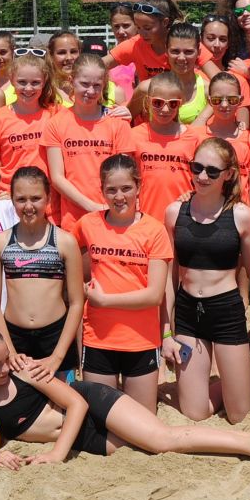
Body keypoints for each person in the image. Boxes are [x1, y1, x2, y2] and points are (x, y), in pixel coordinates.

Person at [0, 330, 250, 475]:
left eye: (6, 359)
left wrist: (56, 455)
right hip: (84, 440)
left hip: (91, 405)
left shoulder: (24, 371)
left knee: (163, 439)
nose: (6, 367)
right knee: (157, 450)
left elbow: (76, 404)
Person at [162, 137, 250, 423]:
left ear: (228, 174)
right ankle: (227, 385)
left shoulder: (241, 215)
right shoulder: (174, 212)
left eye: (212, 171)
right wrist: (166, 332)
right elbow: (169, 276)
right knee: (195, 413)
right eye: (197, 168)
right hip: (188, 313)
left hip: (226, 311)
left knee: (239, 414)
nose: (202, 176)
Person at [76, 154, 174, 412]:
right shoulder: (88, 224)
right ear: (102, 190)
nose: (119, 196)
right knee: (100, 418)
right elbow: (70, 256)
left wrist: (104, 300)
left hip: (141, 340)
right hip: (98, 338)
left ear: (139, 186)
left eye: (126, 188)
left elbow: (154, 295)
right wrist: (79, 286)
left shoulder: (154, 230)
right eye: (111, 190)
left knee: (141, 420)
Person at [0, 167, 85, 379]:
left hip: (55, 338)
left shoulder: (65, 242)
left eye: (36, 198)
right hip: (14, 339)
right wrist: (9, 351)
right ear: (12, 200)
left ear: (48, 198)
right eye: (21, 199)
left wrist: (57, 356)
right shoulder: (0, 243)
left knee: (61, 398)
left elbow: (77, 302)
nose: (29, 206)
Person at [44, 53, 131, 230]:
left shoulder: (117, 121)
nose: (90, 91)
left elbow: (125, 174)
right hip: (74, 221)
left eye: (97, 85)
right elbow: (57, 178)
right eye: (84, 84)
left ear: (104, 85)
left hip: (112, 216)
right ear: (71, 81)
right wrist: (92, 207)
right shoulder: (56, 123)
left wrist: (107, 207)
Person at [0, 53, 60, 199]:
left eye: (35, 82)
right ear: (11, 80)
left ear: (44, 81)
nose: (28, 88)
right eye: (22, 82)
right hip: (10, 201)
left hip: (49, 203)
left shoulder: (56, 114)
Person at [187, 72, 250, 206]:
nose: (224, 104)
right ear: (209, 101)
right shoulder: (195, 136)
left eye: (231, 100)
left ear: (240, 100)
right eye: (217, 100)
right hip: (203, 211)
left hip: (239, 211)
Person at [126, 72, 196, 217]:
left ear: (181, 102)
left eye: (173, 103)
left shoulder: (194, 138)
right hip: (145, 218)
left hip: (183, 219)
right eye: (158, 103)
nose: (165, 109)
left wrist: (193, 194)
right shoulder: (133, 136)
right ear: (148, 101)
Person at [109, 0, 180, 86]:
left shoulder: (183, 42)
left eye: (147, 28)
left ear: (165, 22)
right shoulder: (135, 44)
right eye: (138, 27)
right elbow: (99, 64)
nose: (142, 33)